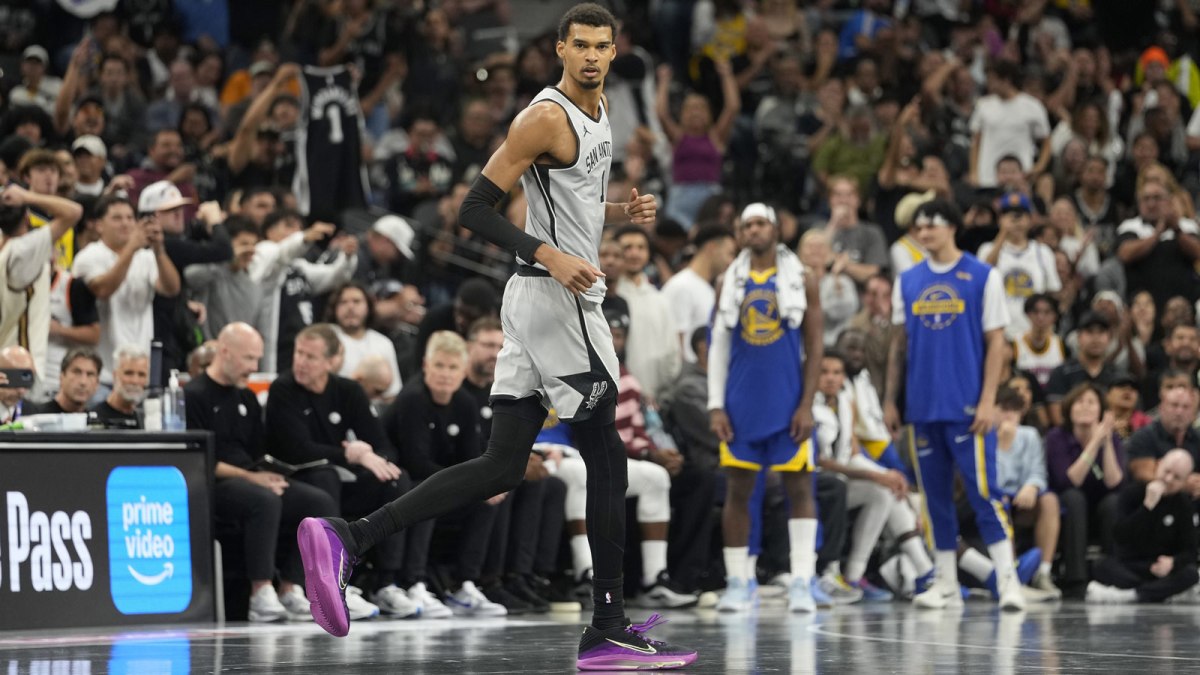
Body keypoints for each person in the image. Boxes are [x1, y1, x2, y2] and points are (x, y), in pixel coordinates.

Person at [295, 5, 697, 669]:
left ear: (613, 49)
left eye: (603, 46)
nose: (593, 56)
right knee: (608, 455)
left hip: (535, 303)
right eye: (581, 45)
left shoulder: (600, 114)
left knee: (503, 464)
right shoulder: (545, 115)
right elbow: (473, 209)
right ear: (560, 48)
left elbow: (567, 194)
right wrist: (550, 255)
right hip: (557, 299)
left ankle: (349, 535)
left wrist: (619, 208)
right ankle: (608, 625)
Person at [883, 199, 1025, 611]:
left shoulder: (983, 276)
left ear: (952, 227)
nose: (924, 233)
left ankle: (1008, 579)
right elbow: (899, 343)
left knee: (985, 494)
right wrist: (892, 400)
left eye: (931, 225)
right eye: (919, 227)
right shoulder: (907, 280)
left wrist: (988, 400)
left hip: (967, 405)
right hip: (923, 406)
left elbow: (997, 341)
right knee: (935, 499)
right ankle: (946, 582)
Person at [707, 202, 823, 613]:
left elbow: (815, 346)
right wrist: (716, 405)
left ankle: (803, 581)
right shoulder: (727, 281)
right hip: (740, 404)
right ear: (739, 233)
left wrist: (808, 404)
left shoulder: (802, 280)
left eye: (760, 224)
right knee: (738, 491)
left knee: (799, 488)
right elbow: (717, 346)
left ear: (776, 229)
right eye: (746, 225)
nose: (754, 230)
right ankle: (739, 582)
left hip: (788, 401)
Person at [185, 323, 338, 622]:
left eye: (257, 360)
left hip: (250, 476)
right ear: (225, 353)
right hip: (213, 483)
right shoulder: (194, 395)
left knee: (318, 502)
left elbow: (258, 453)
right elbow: (202, 459)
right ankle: (260, 591)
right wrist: (252, 478)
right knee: (265, 499)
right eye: (248, 359)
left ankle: (291, 587)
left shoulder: (247, 399)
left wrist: (274, 472)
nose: (254, 368)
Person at [265, 323, 407, 621]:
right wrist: (349, 454)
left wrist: (368, 455)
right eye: (299, 353)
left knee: (395, 479)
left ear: (332, 362)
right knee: (325, 480)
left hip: (341, 480)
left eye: (311, 357)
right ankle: (308, 586)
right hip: (296, 477)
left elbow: (383, 446)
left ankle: (386, 583)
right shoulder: (283, 389)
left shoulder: (348, 390)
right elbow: (297, 449)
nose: (301, 362)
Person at [72, 195, 181, 390]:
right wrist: (131, 247)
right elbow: (103, 289)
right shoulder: (88, 256)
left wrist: (159, 250)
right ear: (99, 225)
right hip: (103, 372)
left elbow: (171, 289)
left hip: (140, 369)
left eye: (130, 218)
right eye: (117, 218)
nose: (125, 223)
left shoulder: (146, 257)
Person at [1044, 382, 1125, 599]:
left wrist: (1106, 443)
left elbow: (1114, 483)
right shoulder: (1056, 437)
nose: (1085, 407)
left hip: (1100, 508)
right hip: (1068, 509)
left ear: (1101, 410)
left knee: (1114, 502)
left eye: (1092, 402)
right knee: (1074, 498)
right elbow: (1069, 480)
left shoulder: (1112, 438)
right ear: (1069, 409)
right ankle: (1076, 579)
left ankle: (1110, 575)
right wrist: (1094, 442)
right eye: (1079, 402)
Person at [0, 184, 83, 395]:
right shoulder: (23, 250)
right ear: (27, 218)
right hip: (21, 366)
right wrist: (26, 195)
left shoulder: (5, 250)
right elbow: (73, 211)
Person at [1088, 449, 1199, 604]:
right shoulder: (1132, 493)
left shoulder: (1183, 505)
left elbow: (1190, 551)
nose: (1168, 479)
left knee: (1191, 574)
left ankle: (1132, 595)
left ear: (1185, 481)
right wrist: (1147, 507)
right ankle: (1160, 593)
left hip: (1162, 569)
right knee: (1101, 565)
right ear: (1158, 465)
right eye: (1167, 471)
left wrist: (1173, 562)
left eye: (1176, 477)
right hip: (1130, 565)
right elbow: (1120, 535)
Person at [993, 386, 1060, 597]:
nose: (1009, 415)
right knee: (1000, 501)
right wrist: (1003, 445)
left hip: (1024, 499)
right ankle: (1009, 575)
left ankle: (1043, 573)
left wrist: (1031, 486)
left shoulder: (1029, 435)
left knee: (1049, 500)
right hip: (995, 499)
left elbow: (1038, 471)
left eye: (1015, 410)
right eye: (1003, 409)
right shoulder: (984, 435)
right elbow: (991, 479)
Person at [660, 225, 735, 362]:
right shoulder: (681, 286)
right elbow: (675, 342)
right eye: (729, 253)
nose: (731, 262)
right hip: (687, 379)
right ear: (712, 247)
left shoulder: (708, 289)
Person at [28, 348, 100, 416]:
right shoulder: (37, 417)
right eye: (77, 372)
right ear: (61, 377)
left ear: (97, 383)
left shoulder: (98, 425)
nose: (83, 382)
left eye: (90, 374)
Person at [90, 345, 148, 429]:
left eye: (141, 375)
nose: (135, 381)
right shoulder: (95, 418)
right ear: (114, 375)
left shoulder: (147, 420)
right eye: (129, 373)